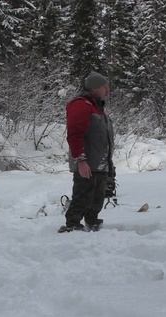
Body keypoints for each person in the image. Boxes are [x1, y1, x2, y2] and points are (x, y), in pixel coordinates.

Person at [59, 71, 115, 233]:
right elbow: (75, 134)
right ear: (96, 88)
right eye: (105, 88)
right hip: (87, 163)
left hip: (100, 163)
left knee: (97, 199)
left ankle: (92, 223)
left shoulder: (97, 108)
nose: (108, 91)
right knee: (82, 196)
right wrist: (81, 160)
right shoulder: (81, 105)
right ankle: (72, 225)